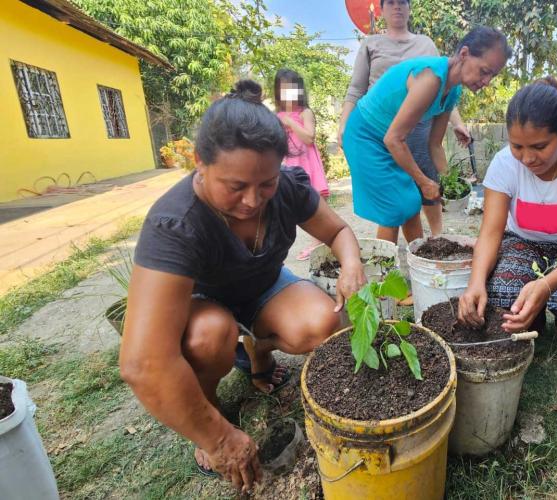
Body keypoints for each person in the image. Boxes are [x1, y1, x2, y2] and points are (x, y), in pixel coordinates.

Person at [120, 80, 366, 493]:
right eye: (235, 187)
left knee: (323, 322)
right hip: (204, 304)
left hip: (264, 287)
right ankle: (209, 408)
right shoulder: (175, 224)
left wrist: (352, 265)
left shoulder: (287, 186)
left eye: (266, 183)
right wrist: (218, 439)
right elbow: (142, 363)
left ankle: (256, 348)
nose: (252, 200)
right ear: (200, 162)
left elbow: (338, 231)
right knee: (208, 336)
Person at [458, 78, 557, 356]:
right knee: (501, 289)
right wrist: (475, 283)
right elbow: (490, 233)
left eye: (539, 146)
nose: (527, 158)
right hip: (524, 243)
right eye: (517, 146)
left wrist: (546, 284)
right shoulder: (504, 163)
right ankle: (530, 315)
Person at [342, 26, 509, 244]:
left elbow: (435, 145)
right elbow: (394, 139)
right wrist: (424, 182)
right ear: (464, 54)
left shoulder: (453, 90)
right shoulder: (431, 78)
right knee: (394, 208)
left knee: (410, 202)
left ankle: (420, 257)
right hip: (365, 136)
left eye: (492, 75)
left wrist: (448, 182)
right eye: (484, 71)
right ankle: (384, 264)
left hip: (386, 139)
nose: (487, 81)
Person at [339, 0, 473, 238]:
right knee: (396, 205)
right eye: (390, 2)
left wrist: (457, 122)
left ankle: (435, 240)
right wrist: (343, 125)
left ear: (410, 8)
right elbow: (356, 89)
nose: (397, 7)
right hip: (377, 128)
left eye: (402, 2)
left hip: (417, 128)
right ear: (381, 9)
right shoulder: (371, 43)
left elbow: (445, 86)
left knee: (416, 194)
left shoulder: (425, 44)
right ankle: (393, 258)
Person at [273, 69, 331, 261]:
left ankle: (319, 241)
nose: (288, 91)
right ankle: (316, 242)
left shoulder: (305, 112)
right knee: (294, 203)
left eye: (292, 87)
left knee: (316, 202)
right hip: (289, 164)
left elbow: (308, 137)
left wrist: (290, 122)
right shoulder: (277, 116)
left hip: (307, 162)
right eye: (283, 88)